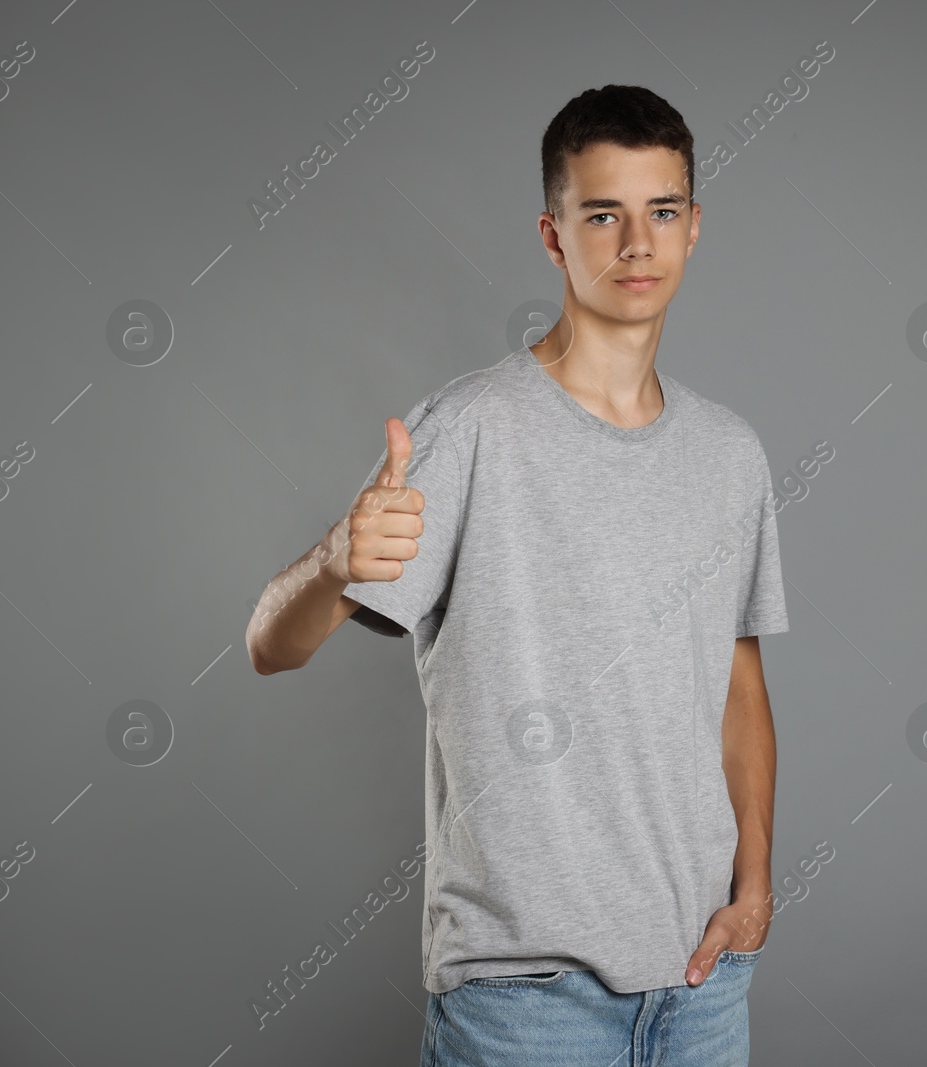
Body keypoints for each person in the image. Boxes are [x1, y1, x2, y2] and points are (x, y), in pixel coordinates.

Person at [245, 84, 790, 1066]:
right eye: (601, 214)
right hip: (525, 1006)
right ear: (553, 235)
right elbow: (268, 647)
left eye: (661, 211)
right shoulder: (471, 429)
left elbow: (738, 685)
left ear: (694, 226)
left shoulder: (730, 454)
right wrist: (334, 559)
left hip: (703, 994)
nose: (635, 242)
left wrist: (753, 889)